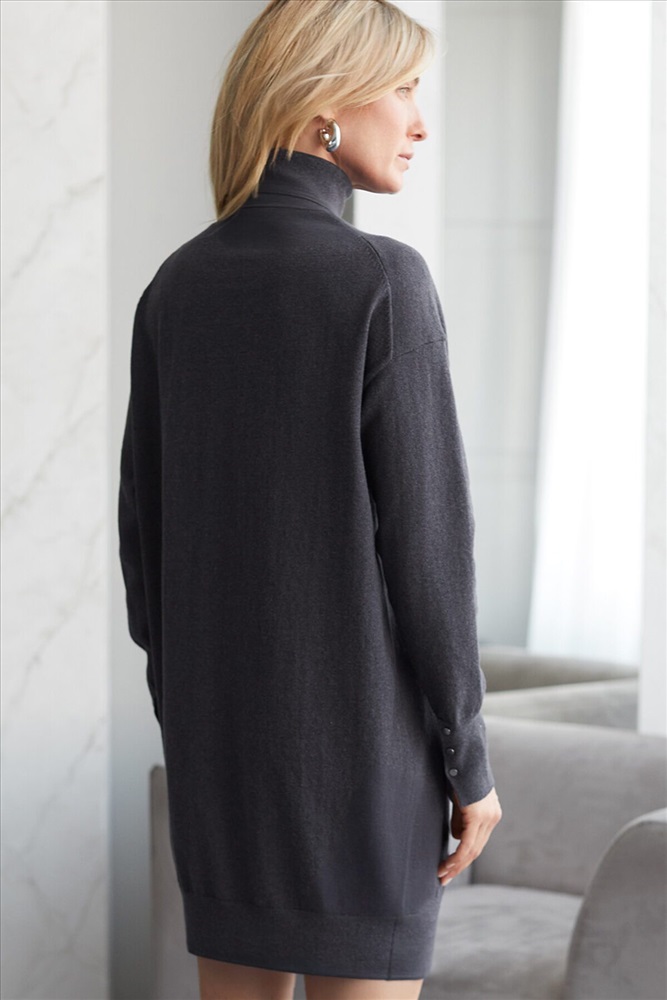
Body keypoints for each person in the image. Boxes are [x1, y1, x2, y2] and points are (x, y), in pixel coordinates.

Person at [118, 1, 502, 998]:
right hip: (362, 767)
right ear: (325, 98)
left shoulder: (176, 287)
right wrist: (468, 762)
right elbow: (429, 555)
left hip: (220, 765)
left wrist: (194, 724)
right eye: (404, 88)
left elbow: (146, 556)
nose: (420, 122)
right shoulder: (380, 279)